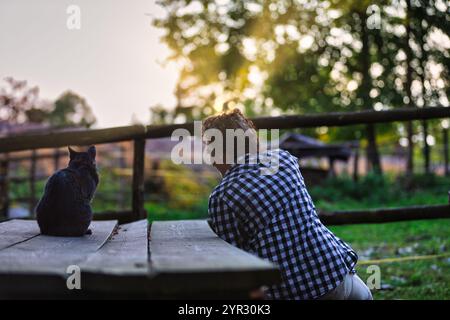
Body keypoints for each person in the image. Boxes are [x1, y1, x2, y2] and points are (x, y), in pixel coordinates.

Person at [203, 109, 372, 300]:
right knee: (364, 295)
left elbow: (237, 264)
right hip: (335, 272)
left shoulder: (221, 197)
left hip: (291, 293)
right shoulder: (285, 160)